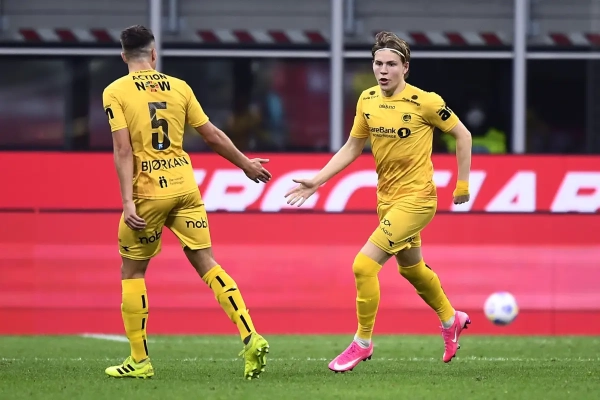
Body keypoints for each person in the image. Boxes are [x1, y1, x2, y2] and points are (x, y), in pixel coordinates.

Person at [285, 31, 474, 372]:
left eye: (391, 64)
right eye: (378, 64)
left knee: (363, 266)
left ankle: (362, 342)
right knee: (412, 269)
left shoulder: (426, 102)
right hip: (386, 199)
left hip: (417, 199)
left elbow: (463, 134)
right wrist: (317, 180)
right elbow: (352, 147)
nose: (383, 71)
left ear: (405, 67)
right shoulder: (367, 100)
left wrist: (462, 183)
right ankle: (451, 319)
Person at [102, 25, 271, 380]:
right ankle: (250, 335)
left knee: (132, 272)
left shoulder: (115, 92)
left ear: (123, 56)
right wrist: (245, 164)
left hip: (148, 193)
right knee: (208, 263)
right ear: (154, 54)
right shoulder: (179, 87)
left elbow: (122, 149)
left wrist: (127, 202)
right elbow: (211, 135)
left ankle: (139, 361)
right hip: (185, 188)